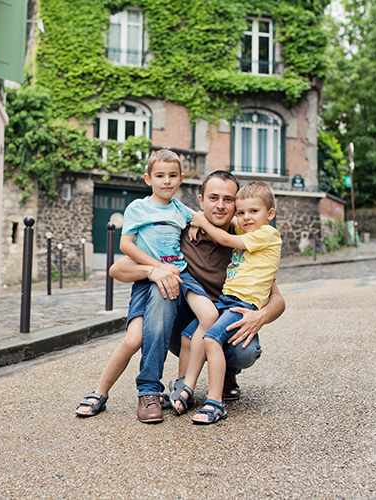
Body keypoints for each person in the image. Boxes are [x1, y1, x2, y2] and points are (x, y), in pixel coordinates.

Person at [108, 171, 285, 423]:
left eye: (228, 199)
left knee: (243, 350)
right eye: (213, 198)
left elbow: (277, 299)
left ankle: (225, 374)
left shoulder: (246, 242)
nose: (221, 205)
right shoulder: (179, 234)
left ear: (237, 205)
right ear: (201, 202)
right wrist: (153, 270)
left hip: (224, 323)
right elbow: (117, 269)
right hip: (183, 328)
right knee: (163, 287)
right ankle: (152, 389)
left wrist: (261, 316)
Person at [75, 149, 218, 423]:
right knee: (132, 340)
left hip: (178, 275)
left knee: (206, 314)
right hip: (148, 278)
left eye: (173, 176)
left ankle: (178, 385)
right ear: (148, 179)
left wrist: (247, 224)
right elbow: (125, 246)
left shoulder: (180, 211)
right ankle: (102, 392)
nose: (167, 181)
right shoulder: (137, 208)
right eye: (160, 175)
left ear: (181, 179)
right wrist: (154, 268)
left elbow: (207, 220)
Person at [170, 181, 282, 424]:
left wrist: (201, 222)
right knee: (190, 335)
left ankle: (214, 402)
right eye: (241, 212)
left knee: (211, 338)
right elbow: (227, 223)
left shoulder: (266, 235)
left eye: (253, 212)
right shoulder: (246, 229)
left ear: (270, 214)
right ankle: (184, 387)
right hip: (225, 301)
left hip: (243, 304)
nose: (245, 218)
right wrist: (199, 218)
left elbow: (224, 238)